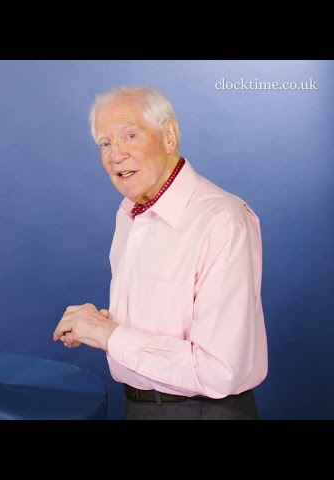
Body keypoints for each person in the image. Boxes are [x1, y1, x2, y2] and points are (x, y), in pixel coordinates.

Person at [52, 85, 268, 420]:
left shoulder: (222, 220)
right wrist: (94, 323)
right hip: (135, 408)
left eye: (130, 136)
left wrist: (109, 335)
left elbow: (219, 369)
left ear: (169, 136)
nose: (116, 155)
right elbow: (166, 316)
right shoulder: (128, 215)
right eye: (105, 144)